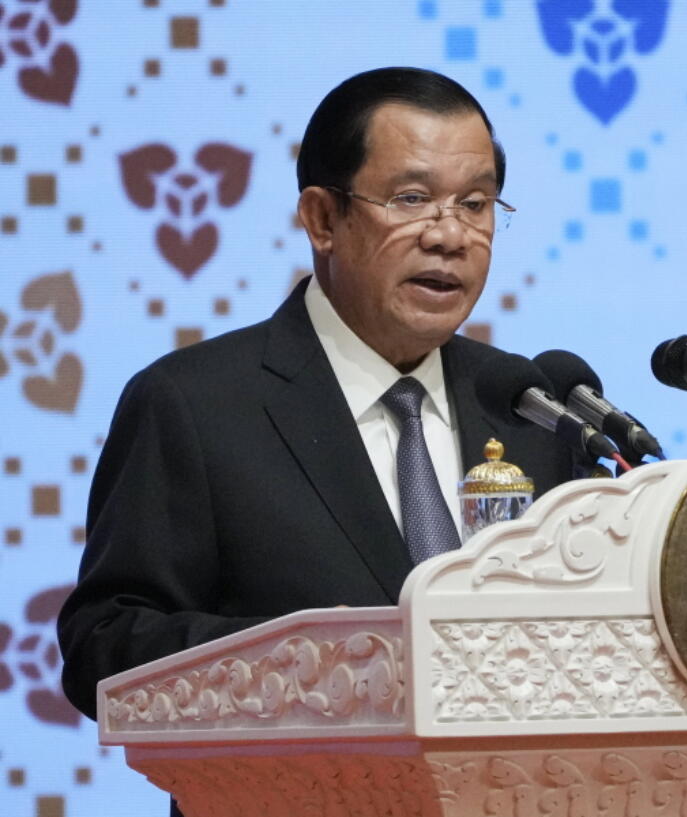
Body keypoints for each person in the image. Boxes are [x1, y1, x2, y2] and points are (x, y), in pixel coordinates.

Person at [57, 68, 579, 728]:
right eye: (412, 199)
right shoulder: (193, 405)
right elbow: (103, 645)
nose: (450, 236)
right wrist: (298, 663)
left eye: (476, 205)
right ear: (322, 218)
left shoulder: (530, 405)